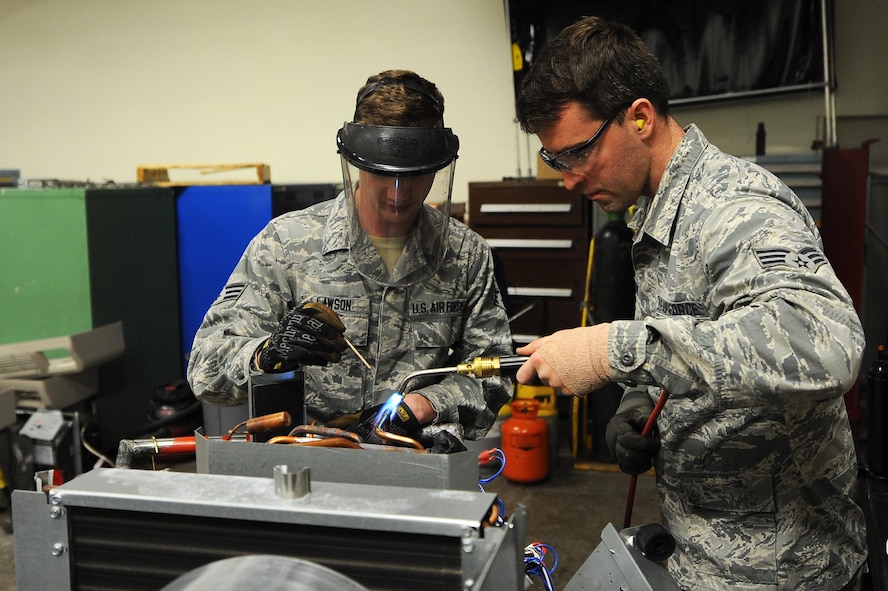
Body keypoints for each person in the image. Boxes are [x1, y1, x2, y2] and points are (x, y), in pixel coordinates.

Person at [513, 16, 867, 591]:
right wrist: (638, 404)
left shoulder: (735, 207)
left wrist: (613, 350)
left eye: (577, 152)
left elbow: (825, 343)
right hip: (701, 558)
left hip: (784, 571)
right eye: (557, 161)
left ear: (641, 117)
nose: (569, 180)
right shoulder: (650, 214)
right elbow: (688, 340)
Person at [187, 69, 513, 444]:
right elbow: (204, 369)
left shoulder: (465, 255)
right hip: (305, 463)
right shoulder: (287, 245)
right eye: (382, 174)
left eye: (415, 175)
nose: (398, 193)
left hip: (415, 462)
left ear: (437, 168)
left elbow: (494, 375)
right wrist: (267, 354)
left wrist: (422, 405)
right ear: (357, 162)